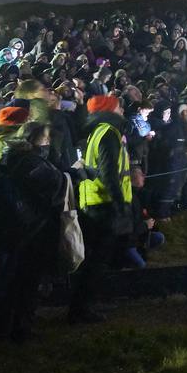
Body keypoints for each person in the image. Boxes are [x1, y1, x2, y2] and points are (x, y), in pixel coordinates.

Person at [0, 121, 65, 344]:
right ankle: (19, 329)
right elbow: (53, 191)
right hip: (32, 229)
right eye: (46, 138)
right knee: (26, 283)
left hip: (13, 226)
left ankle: (1, 329)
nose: (48, 142)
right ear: (37, 140)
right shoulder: (34, 164)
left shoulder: (11, 157)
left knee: (11, 281)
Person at [70, 94, 133, 325]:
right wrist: (119, 204)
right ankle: (81, 310)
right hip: (103, 207)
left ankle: (81, 307)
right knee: (96, 262)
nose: (122, 111)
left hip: (95, 204)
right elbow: (109, 172)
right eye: (119, 107)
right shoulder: (108, 133)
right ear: (110, 110)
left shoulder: (97, 131)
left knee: (93, 261)